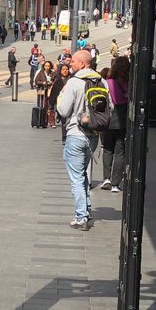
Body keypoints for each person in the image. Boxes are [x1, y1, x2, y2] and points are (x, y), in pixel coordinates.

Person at [56, 49, 105, 229]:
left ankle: (81, 216)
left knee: (76, 177)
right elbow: (111, 107)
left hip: (75, 134)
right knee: (83, 174)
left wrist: (61, 96)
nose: (70, 64)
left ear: (83, 64)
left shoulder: (74, 82)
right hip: (93, 136)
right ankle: (87, 208)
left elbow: (62, 110)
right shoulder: (102, 81)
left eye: (74, 62)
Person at [99, 54, 129, 193]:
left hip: (108, 120)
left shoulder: (107, 82)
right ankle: (116, 183)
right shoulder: (129, 83)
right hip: (123, 120)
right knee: (120, 150)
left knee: (107, 148)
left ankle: (106, 178)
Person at [48, 62, 70, 131]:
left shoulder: (71, 80)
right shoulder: (58, 82)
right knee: (64, 121)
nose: (65, 71)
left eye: (66, 69)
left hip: (70, 102)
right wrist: (51, 105)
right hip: (61, 103)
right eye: (63, 69)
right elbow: (53, 94)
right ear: (60, 71)